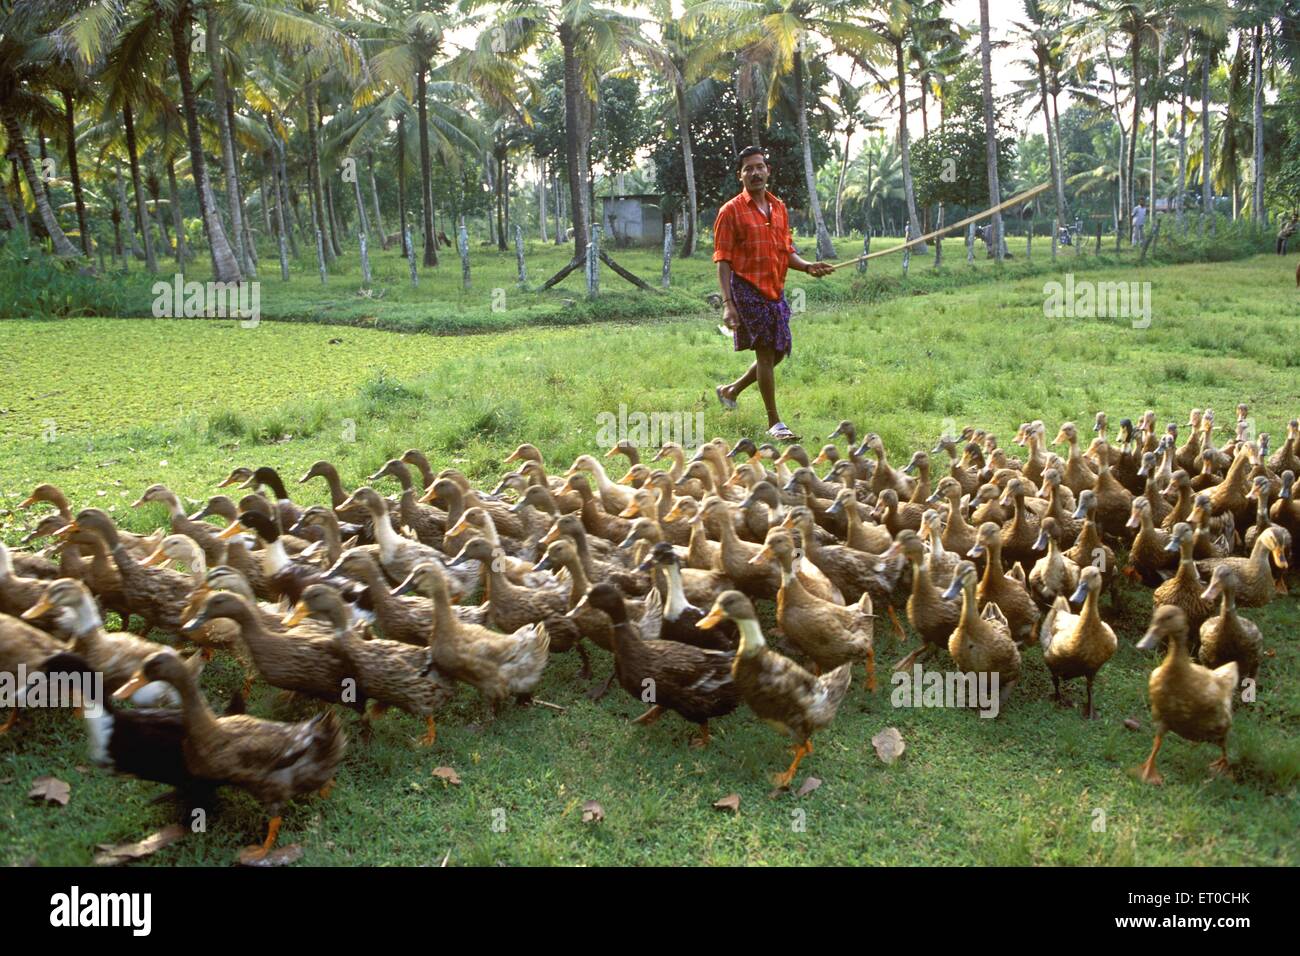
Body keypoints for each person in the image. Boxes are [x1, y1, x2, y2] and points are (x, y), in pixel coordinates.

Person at [712, 146, 833, 442]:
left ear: (768, 170)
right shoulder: (730, 211)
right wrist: (728, 304)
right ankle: (774, 423)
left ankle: (731, 390)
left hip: (775, 289)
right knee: (766, 351)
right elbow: (723, 259)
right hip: (746, 288)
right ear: (740, 175)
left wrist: (807, 267)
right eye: (748, 169)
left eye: (759, 167)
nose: (755, 173)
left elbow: (786, 250)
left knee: (779, 350)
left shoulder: (779, 208)